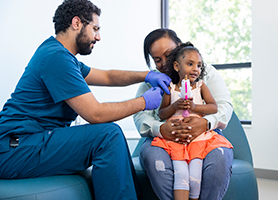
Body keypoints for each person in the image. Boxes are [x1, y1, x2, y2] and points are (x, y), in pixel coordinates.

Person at [0, 1, 172, 200]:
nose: (98, 37)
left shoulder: (62, 55)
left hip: (28, 142)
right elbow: (95, 114)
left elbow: (108, 77)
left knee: (109, 134)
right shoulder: (56, 57)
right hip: (14, 148)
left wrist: (148, 75)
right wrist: (143, 102)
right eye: (95, 29)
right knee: (107, 135)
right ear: (76, 23)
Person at [133, 28, 234, 199]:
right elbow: (141, 116)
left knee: (218, 162)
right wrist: (160, 128)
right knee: (155, 159)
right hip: (164, 139)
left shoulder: (204, 75)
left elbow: (223, 105)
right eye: (157, 60)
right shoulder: (152, 83)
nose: (164, 63)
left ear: (180, 48)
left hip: (205, 135)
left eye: (169, 54)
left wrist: (206, 123)